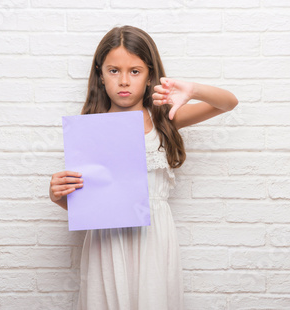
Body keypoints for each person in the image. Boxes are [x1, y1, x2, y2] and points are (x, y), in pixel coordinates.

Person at [48, 25, 238, 310]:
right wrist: (59, 196)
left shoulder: (164, 119)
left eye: (135, 71)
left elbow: (228, 103)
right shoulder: (89, 130)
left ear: (150, 76)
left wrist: (192, 89)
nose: (124, 81)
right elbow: (89, 205)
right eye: (114, 71)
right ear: (100, 75)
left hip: (154, 238)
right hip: (108, 242)